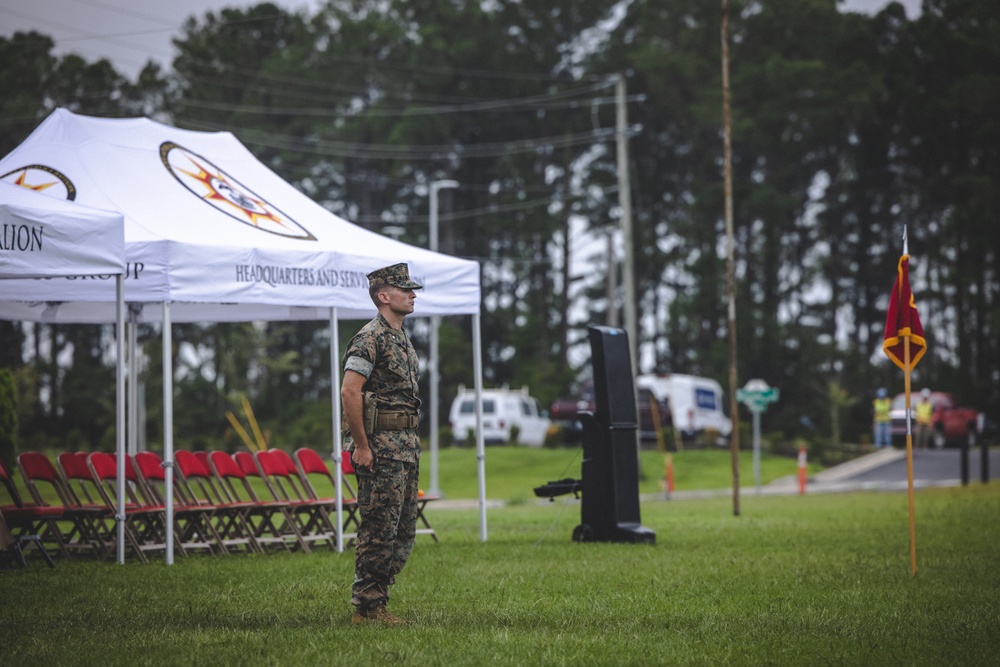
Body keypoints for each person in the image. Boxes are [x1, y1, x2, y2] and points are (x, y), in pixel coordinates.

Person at [341, 262, 423, 626]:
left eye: (412, 289)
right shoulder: (369, 337)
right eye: (405, 289)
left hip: (405, 447)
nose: (413, 294)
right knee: (378, 529)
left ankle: (378, 598)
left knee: (402, 530)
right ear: (384, 296)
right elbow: (350, 390)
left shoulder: (401, 338)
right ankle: (367, 607)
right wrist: (361, 445)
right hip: (381, 448)